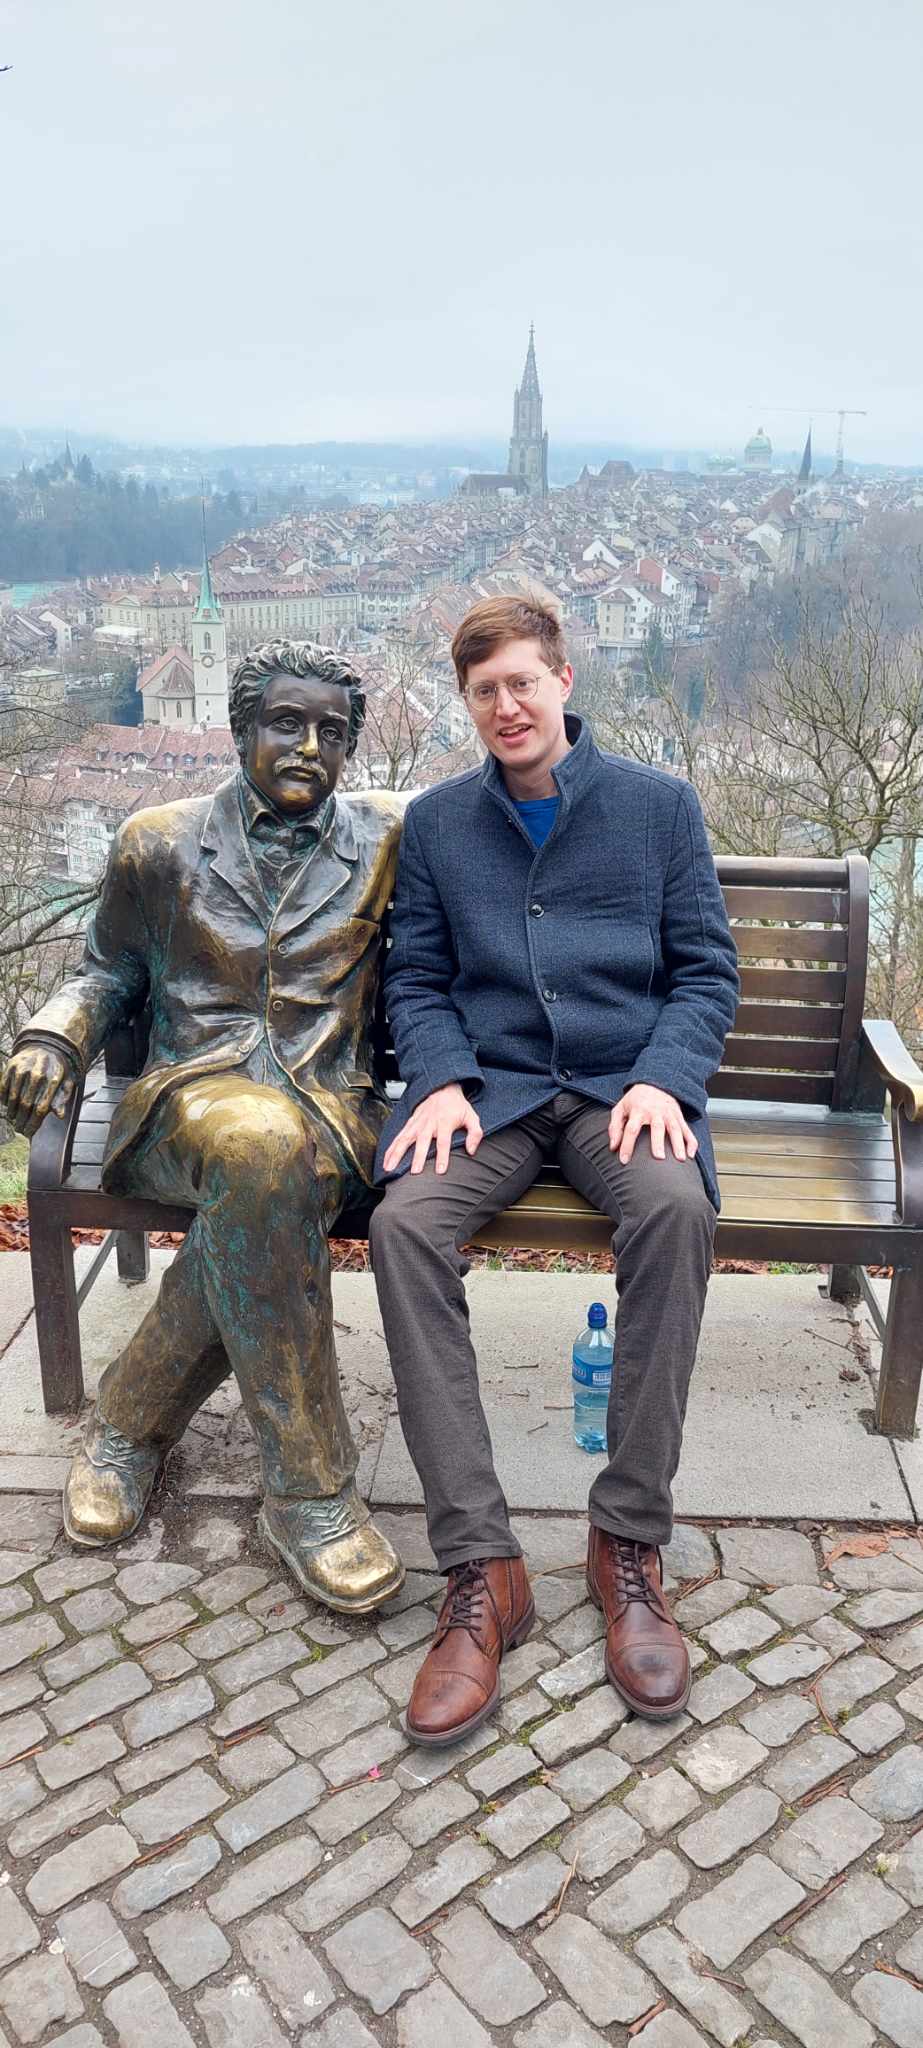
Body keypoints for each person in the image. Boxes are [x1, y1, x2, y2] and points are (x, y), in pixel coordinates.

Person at [370, 593, 739, 1744]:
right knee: (402, 1224)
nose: (505, 706)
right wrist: (432, 1076)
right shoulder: (436, 825)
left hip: (620, 1090)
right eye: (484, 691)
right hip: (491, 1094)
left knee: (674, 1211)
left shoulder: (656, 808)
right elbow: (415, 978)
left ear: (563, 680)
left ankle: (626, 1538)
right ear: (468, 702)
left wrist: (663, 1079)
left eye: (522, 682)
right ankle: (482, 1568)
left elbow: (703, 974)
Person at [1, 640, 406, 1615]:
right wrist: (54, 1034)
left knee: (267, 1174)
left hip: (333, 1114)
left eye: (332, 732)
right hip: (188, 1099)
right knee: (257, 1149)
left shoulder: (393, 838)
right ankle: (309, 1492)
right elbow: (104, 970)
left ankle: (127, 1426)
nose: (308, 746)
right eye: (285, 724)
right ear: (239, 730)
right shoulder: (158, 842)